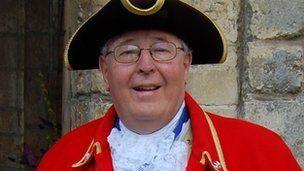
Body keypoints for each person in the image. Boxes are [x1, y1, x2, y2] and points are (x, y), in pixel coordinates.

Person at [37, 0, 301, 170]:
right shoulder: (60, 160)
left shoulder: (263, 154)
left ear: (186, 63)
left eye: (161, 50)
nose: (145, 65)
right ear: (105, 71)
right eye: (127, 52)